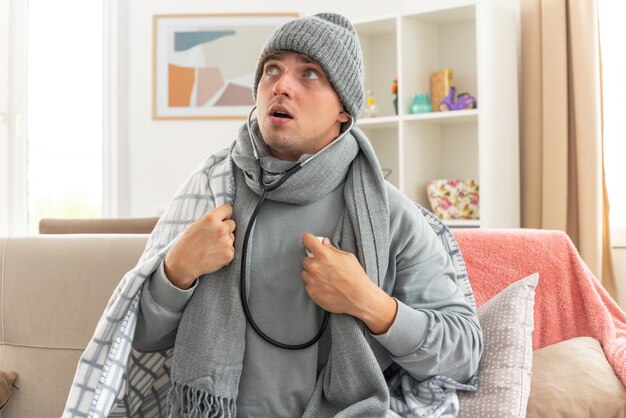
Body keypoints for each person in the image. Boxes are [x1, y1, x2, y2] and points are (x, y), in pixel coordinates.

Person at [69, 12, 482, 418]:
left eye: (309, 74)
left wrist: (370, 303)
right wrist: (176, 271)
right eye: (271, 69)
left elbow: (463, 354)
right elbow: (139, 337)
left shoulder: (389, 213)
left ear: (344, 109)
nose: (281, 85)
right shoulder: (211, 188)